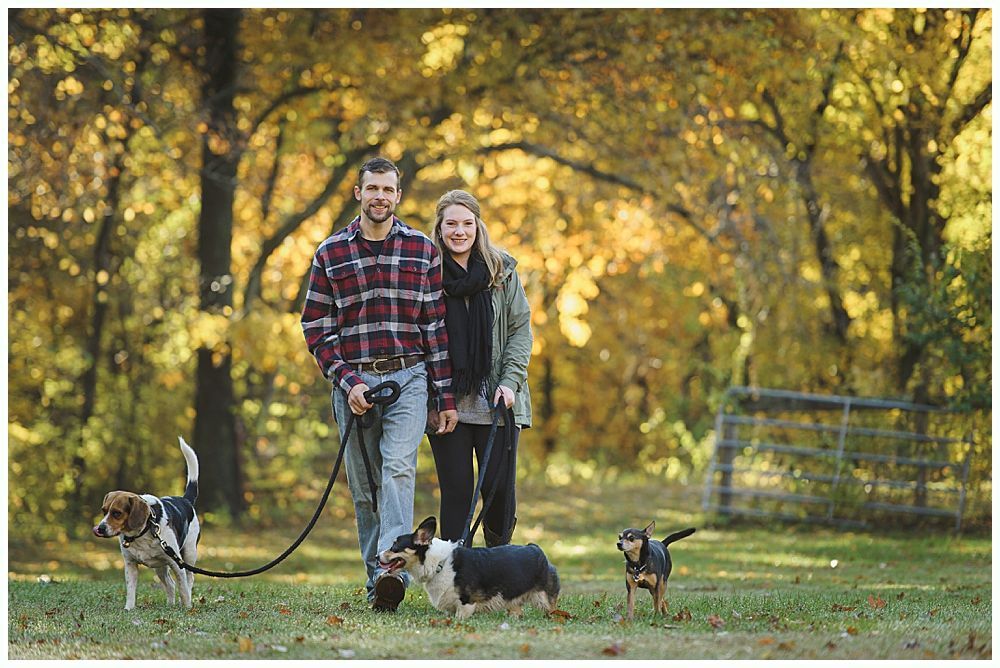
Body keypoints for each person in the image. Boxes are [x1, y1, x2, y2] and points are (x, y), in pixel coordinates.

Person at [301, 157, 458, 612]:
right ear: (359, 193)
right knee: (366, 488)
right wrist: (348, 381)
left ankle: (392, 572)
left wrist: (444, 396)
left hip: (409, 377)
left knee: (398, 470)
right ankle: (379, 583)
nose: (380, 197)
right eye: (373, 189)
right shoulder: (330, 253)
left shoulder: (422, 250)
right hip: (354, 382)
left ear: (398, 196)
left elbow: (434, 328)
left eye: (388, 190)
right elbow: (316, 327)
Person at [427, 189, 533, 547]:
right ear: (439, 228)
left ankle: (499, 564)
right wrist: (434, 397)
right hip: (449, 404)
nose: (459, 231)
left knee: (499, 495)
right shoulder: (427, 274)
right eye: (451, 224)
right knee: (457, 493)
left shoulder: (501, 271)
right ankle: (456, 571)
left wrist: (510, 382)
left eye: (467, 223)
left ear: (478, 226)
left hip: (498, 402)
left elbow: (520, 330)